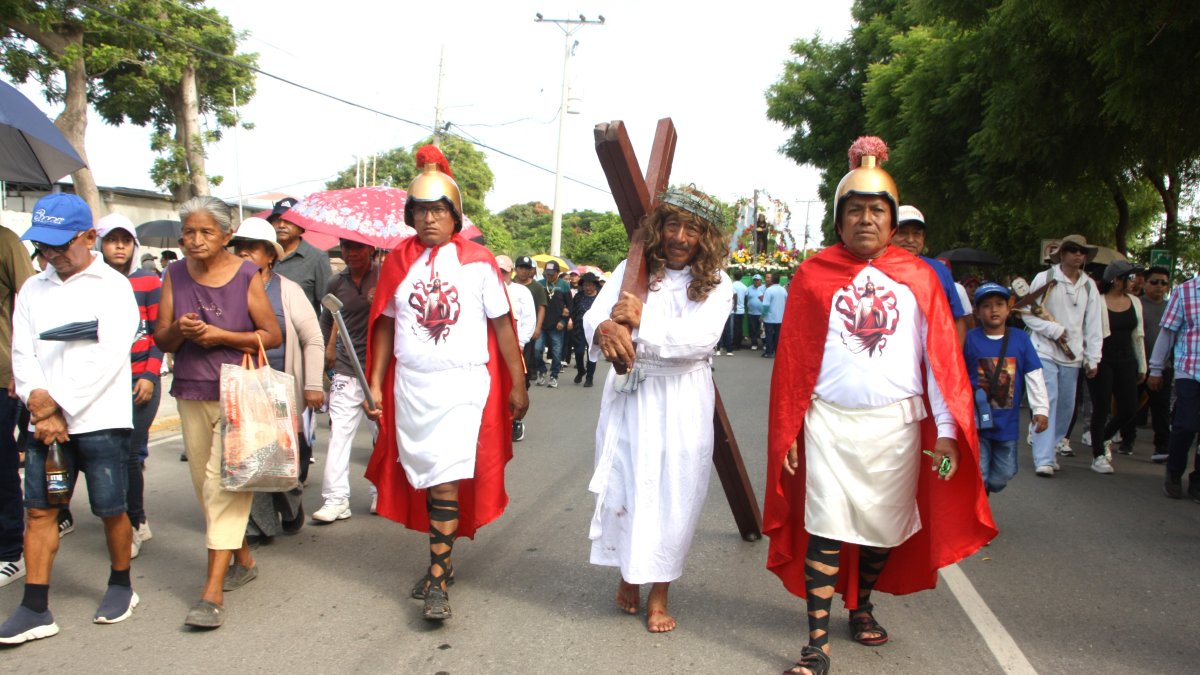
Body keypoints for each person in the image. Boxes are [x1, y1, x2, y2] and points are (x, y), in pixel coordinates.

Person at [763, 137, 993, 675]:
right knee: (825, 528)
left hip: (897, 429)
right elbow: (794, 362)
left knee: (881, 533)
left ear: (891, 221)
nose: (866, 219)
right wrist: (789, 429)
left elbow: (939, 362)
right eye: (855, 210)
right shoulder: (812, 275)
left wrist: (946, 432)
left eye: (877, 210)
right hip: (827, 424)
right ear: (839, 220)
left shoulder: (921, 279)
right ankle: (816, 646)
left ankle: (861, 604)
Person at [363, 145, 528, 622]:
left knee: (445, 482)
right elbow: (384, 326)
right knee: (426, 479)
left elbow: (503, 327)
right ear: (410, 215)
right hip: (411, 388)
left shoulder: (478, 261)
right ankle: (445, 561)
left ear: (454, 215)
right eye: (420, 210)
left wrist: (518, 383)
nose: (429, 218)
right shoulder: (398, 262)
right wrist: (375, 381)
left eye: (438, 210)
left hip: (462, 388)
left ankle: (437, 578)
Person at [586, 186, 732, 634]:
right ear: (659, 228)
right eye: (673, 225)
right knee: (627, 483)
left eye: (692, 229)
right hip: (631, 393)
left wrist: (642, 319)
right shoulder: (632, 270)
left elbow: (700, 340)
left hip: (681, 397)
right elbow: (595, 315)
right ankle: (629, 572)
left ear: (705, 238)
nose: (680, 237)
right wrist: (606, 327)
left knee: (675, 491)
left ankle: (660, 591)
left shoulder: (718, 283)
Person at [1, 194, 141, 644]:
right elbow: (22, 351)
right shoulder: (32, 289)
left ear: (88, 237)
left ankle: (121, 584)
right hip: (45, 424)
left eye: (61, 244)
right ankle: (35, 607)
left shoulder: (113, 287)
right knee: (40, 511)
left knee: (110, 509)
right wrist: (38, 401)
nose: (52, 254)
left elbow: (108, 355)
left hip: (99, 420)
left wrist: (56, 404)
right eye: (42, 245)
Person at [154, 196, 282, 629]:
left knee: (221, 486)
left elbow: (271, 334)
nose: (195, 240)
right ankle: (243, 559)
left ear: (227, 235)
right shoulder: (174, 273)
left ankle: (211, 592)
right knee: (203, 487)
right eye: (188, 232)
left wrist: (220, 335)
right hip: (190, 391)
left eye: (206, 232)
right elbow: (162, 339)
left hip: (238, 394)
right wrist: (180, 330)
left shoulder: (246, 273)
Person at [229, 218, 325, 544]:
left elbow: (313, 338)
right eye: (240, 247)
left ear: (270, 255)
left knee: (280, 457)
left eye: (253, 248)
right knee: (251, 456)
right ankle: (260, 526)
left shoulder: (287, 290)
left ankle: (290, 502)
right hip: (242, 386)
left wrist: (313, 385)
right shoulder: (227, 288)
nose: (244, 253)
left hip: (282, 386)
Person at [95, 214, 164, 558]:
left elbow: (158, 333)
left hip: (140, 381)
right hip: (104, 382)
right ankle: (121, 516)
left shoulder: (148, 281)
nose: (119, 247)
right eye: (112, 240)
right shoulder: (93, 282)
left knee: (131, 455)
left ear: (134, 246)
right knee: (109, 453)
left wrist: (150, 376)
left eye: (125, 241)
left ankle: (134, 523)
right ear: (100, 244)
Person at [1020, 235, 1104, 476]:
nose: (1078, 255)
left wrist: (1093, 357)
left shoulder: (1089, 285)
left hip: (1073, 355)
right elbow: (1026, 311)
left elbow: (1093, 324)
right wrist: (1053, 330)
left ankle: (1052, 447)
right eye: (1073, 250)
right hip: (1044, 350)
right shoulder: (1046, 278)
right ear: (1063, 253)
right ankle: (1043, 457)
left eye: (1082, 251)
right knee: (1048, 401)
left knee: (1067, 407)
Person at [314, 237, 380, 522]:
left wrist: (383, 300)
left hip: (379, 372)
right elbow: (327, 320)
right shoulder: (335, 282)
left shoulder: (387, 277)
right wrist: (326, 350)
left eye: (358, 247)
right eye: (346, 247)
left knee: (382, 436)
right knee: (339, 434)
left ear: (371, 249)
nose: (351, 253)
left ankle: (382, 491)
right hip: (346, 368)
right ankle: (336, 499)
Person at [963, 282, 1049, 494]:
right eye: (986, 305)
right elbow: (958, 375)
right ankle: (980, 505)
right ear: (977, 312)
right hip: (977, 421)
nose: (993, 310)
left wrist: (1040, 409)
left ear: (1009, 309)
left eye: (999, 304)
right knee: (979, 474)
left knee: (1004, 474)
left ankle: (986, 492)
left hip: (1007, 423)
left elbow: (1034, 374)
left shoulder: (1020, 339)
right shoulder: (970, 339)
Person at [0, 225, 36, 590]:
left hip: (1, 373)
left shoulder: (5, 242)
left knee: (1, 463)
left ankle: (10, 550)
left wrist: (21, 369)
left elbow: (31, 305)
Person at [1085, 261, 1146, 473]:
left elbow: (1138, 336)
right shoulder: (1098, 300)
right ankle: (1098, 455)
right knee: (1101, 408)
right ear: (1116, 280)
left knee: (1129, 408)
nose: (1135, 282)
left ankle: (1104, 438)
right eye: (1130, 277)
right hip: (1102, 360)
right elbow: (1089, 332)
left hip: (1126, 360)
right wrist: (1090, 361)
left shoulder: (1135, 302)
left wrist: (1142, 366)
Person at [1149, 272, 1200, 499]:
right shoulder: (1185, 291)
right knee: (1186, 425)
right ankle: (1174, 471)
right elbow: (1168, 332)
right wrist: (1156, 368)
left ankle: (1197, 481)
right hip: (1189, 369)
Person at [893, 205, 969, 344]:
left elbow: (958, 320)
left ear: (923, 238)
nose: (910, 240)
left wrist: (955, 355)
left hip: (934, 352)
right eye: (902, 233)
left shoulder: (939, 270)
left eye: (917, 234)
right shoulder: (875, 269)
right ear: (890, 234)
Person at [1128, 266, 1171, 462]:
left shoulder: (1171, 307)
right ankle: (1127, 439)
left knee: (1160, 407)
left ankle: (1162, 446)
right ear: (1144, 283)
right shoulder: (1136, 304)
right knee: (1130, 405)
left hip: (1163, 366)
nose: (1159, 286)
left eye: (1163, 283)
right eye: (1154, 282)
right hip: (1136, 364)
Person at [495, 255, 535, 440]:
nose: (500, 275)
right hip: (493, 346)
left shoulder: (521, 291)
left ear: (510, 272)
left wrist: (521, 343)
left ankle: (516, 421)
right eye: (497, 271)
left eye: (504, 272)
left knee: (517, 382)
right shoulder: (488, 288)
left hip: (517, 345)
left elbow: (529, 319)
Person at [270, 197, 330, 316]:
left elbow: (328, 306)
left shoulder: (317, 258)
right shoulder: (265, 255)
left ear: (301, 226)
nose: (281, 225)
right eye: (277, 220)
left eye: (288, 220)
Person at [535, 260, 571, 388]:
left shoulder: (564, 285)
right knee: (536, 350)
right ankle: (542, 370)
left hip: (557, 325)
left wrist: (564, 321)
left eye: (552, 273)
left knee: (556, 353)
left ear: (558, 272)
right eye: (547, 273)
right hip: (541, 324)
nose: (549, 275)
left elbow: (570, 306)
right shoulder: (540, 284)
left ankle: (554, 376)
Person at [514, 256, 547, 389]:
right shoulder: (509, 284)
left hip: (528, 330)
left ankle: (524, 386)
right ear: (516, 269)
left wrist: (537, 328)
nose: (524, 271)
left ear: (531, 270)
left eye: (527, 268)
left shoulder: (537, 287)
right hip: (511, 330)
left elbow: (541, 308)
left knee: (526, 361)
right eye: (521, 268)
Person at [571, 272, 601, 386]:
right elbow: (573, 311)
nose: (588, 288)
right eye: (585, 285)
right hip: (579, 329)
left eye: (590, 285)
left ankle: (589, 378)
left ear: (595, 285)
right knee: (578, 352)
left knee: (591, 353)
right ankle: (581, 371)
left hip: (594, 330)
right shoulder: (578, 296)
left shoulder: (600, 298)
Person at [761, 272, 787, 357]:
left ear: (772, 280)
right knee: (777, 335)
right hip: (780, 317)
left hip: (770, 317)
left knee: (769, 335)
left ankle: (769, 352)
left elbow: (766, 305)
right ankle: (777, 351)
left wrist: (763, 315)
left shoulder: (769, 290)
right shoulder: (783, 290)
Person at [745, 274, 766, 350]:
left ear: (761, 281)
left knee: (763, 330)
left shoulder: (764, 288)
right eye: (755, 280)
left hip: (762, 313)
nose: (756, 281)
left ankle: (765, 344)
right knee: (753, 329)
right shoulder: (749, 289)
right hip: (752, 313)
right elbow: (746, 298)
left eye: (758, 280)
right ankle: (754, 344)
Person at [731, 273, 748, 350]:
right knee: (739, 327)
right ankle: (738, 344)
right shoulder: (744, 287)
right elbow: (746, 298)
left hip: (732, 310)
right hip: (741, 310)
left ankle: (733, 343)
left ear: (734, 277)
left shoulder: (732, 285)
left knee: (733, 327)